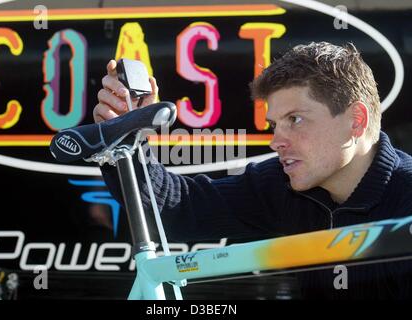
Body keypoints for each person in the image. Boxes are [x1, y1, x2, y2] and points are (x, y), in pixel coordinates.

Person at [94, 42, 412, 299]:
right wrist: (126, 139)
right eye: (275, 125)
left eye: (295, 120)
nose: (276, 142)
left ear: (355, 121)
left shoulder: (406, 198)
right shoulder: (282, 184)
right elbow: (178, 207)